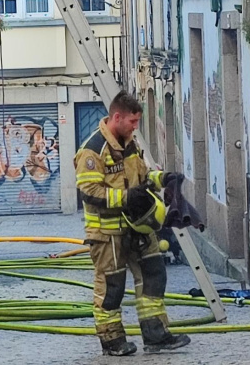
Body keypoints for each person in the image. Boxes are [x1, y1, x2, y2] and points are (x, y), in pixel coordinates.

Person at [74, 91, 191, 356]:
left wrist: (165, 179)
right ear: (117, 117)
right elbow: (89, 192)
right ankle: (112, 340)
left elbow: (144, 176)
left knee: (154, 276)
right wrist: (126, 197)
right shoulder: (93, 150)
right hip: (107, 232)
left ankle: (156, 335)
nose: (136, 127)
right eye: (133, 122)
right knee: (111, 287)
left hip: (138, 227)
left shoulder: (131, 144)